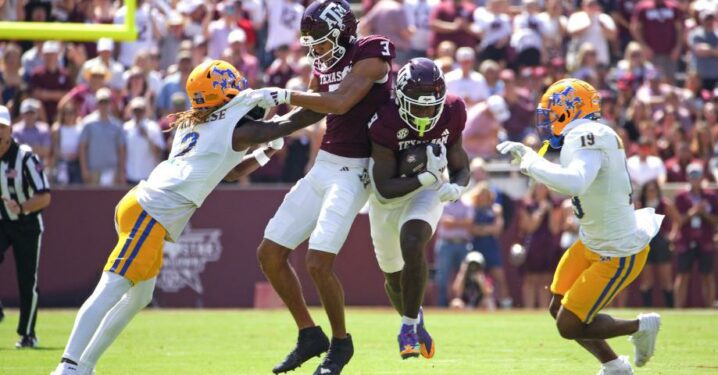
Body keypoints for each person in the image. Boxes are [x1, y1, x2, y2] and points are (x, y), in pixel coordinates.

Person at [51, 59, 321, 375]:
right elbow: (289, 124)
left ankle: (85, 366)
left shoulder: (194, 122)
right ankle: (68, 366)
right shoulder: (235, 129)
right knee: (111, 287)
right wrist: (325, 98)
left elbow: (231, 170)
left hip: (144, 205)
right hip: (152, 210)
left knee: (140, 296)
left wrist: (264, 152)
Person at [250, 1, 395, 374]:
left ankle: (341, 343)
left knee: (317, 262)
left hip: (356, 169)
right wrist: (269, 135)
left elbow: (341, 101)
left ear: (344, 30)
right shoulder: (324, 61)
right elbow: (315, 110)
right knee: (269, 253)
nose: (316, 48)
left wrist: (283, 94)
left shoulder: (371, 52)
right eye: (311, 41)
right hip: (325, 164)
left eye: (321, 39)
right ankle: (309, 335)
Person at [498, 78, 664, 374]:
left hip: (616, 250)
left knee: (569, 323)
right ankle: (614, 366)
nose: (548, 121)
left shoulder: (586, 134)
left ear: (569, 109)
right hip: (593, 241)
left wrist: (530, 161)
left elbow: (575, 180)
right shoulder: (589, 133)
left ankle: (640, 326)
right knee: (557, 306)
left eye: (552, 113)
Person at [367, 58, 469, 359]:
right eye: (418, 105)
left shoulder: (452, 110)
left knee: (413, 242)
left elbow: (461, 164)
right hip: (389, 196)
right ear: (400, 98)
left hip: (428, 191)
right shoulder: (385, 118)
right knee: (393, 279)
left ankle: (408, 326)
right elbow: (384, 188)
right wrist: (424, 175)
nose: (425, 113)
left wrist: (458, 186)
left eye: (430, 106)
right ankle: (415, 317)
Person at [0, 105, 51, 349]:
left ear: (10, 129)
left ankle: (28, 333)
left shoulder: (26, 158)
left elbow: (45, 196)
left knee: (26, 280)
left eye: (1, 127)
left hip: (27, 224)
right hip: (1, 222)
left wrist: (20, 207)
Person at [673, 163, 718, 308]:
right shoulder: (681, 196)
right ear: (687, 177)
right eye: (692, 176)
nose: (695, 179)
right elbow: (678, 220)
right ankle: (678, 307)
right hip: (686, 240)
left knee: (707, 275)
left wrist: (703, 213)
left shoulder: (710, 196)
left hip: (705, 240)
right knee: (683, 275)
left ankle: (710, 307)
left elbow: (716, 220)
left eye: (697, 176)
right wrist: (693, 211)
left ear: (702, 178)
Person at [466, 181, 511, 308]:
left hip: (491, 246)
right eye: (481, 194)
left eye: (486, 194)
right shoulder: (473, 208)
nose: (483, 197)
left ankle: (506, 305)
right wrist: (486, 229)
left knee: (499, 277)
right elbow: (471, 228)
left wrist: (481, 229)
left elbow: (497, 228)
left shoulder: (496, 209)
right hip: (477, 246)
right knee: (476, 277)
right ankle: (476, 304)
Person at [518, 182, 561, 309]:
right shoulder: (527, 205)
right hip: (532, 245)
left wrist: (550, 211)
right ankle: (529, 309)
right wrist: (541, 211)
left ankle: (543, 309)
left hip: (547, 246)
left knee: (545, 279)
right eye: (539, 187)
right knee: (530, 279)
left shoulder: (553, 205)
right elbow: (529, 227)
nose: (541, 190)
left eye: (544, 187)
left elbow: (554, 229)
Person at [637, 180, 680, 308]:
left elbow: (677, 220)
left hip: (661, 242)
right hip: (646, 243)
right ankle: (647, 309)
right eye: (649, 190)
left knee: (666, 279)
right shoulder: (640, 205)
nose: (651, 192)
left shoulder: (665, 204)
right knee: (646, 280)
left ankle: (670, 308)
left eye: (654, 190)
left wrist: (672, 235)